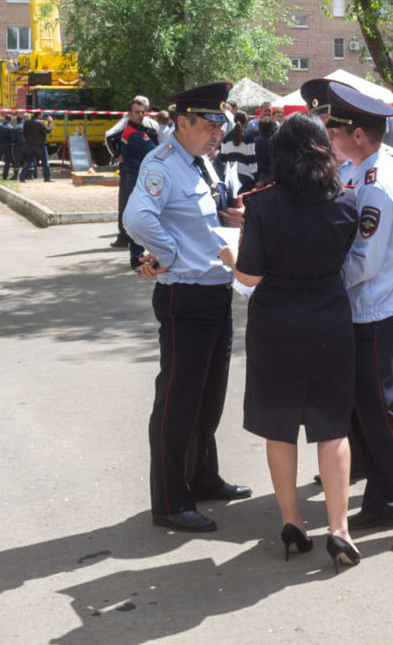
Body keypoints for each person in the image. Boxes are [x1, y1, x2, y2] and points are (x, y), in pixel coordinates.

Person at [304, 78, 393, 550]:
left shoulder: (376, 182)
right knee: (373, 415)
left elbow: (361, 261)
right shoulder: (370, 164)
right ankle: (385, 499)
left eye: (334, 131)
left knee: (387, 417)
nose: (330, 140)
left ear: (358, 135)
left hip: (373, 313)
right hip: (368, 311)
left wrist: (315, 284)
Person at [219, 113, 362, 569]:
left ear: (278, 154)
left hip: (276, 323)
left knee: (280, 425)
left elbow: (250, 274)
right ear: (325, 150)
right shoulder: (345, 204)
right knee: (332, 425)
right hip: (329, 320)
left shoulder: (262, 205)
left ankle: (293, 521)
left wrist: (231, 256)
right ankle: (339, 528)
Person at [123, 81, 251, 533]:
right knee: (178, 400)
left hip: (215, 290)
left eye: (222, 125)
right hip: (187, 294)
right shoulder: (162, 165)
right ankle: (171, 501)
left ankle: (202, 477)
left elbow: (205, 215)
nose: (218, 133)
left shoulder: (200, 163)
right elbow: (138, 217)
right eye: (210, 124)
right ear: (182, 122)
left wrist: (231, 218)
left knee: (208, 399)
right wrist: (169, 254)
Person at [111, 98, 157, 259]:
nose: (140, 115)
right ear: (128, 114)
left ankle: (139, 254)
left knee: (140, 216)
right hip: (136, 178)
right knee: (137, 217)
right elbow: (152, 152)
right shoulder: (132, 133)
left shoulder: (139, 130)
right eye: (137, 112)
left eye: (142, 112)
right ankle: (136, 256)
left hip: (138, 177)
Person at [217, 110, 258, 193]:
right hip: (246, 178)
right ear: (246, 121)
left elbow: (224, 160)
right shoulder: (249, 137)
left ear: (234, 120)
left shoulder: (225, 138)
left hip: (230, 178)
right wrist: (256, 177)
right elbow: (252, 159)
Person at [21, 111, 51, 182]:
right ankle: (47, 178)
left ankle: (22, 176)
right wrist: (50, 122)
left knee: (28, 161)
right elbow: (48, 130)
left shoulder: (27, 123)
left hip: (29, 145)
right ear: (40, 115)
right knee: (44, 162)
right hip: (40, 145)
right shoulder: (40, 122)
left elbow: (24, 133)